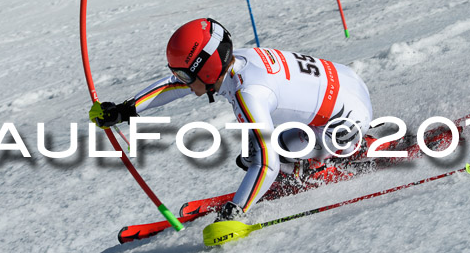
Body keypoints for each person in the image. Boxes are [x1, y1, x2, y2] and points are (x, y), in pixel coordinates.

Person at [89, 18, 373, 221]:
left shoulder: (248, 94)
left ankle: (320, 164)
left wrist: (236, 212)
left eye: (185, 75)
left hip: (346, 123)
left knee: (258, 159)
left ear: (208, 69)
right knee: (250, 153)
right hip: (347, 81)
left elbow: (267, 162)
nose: (181, 81)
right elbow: (172, 86)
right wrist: (125, 110)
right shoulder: (236, 62)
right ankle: (310, 157)